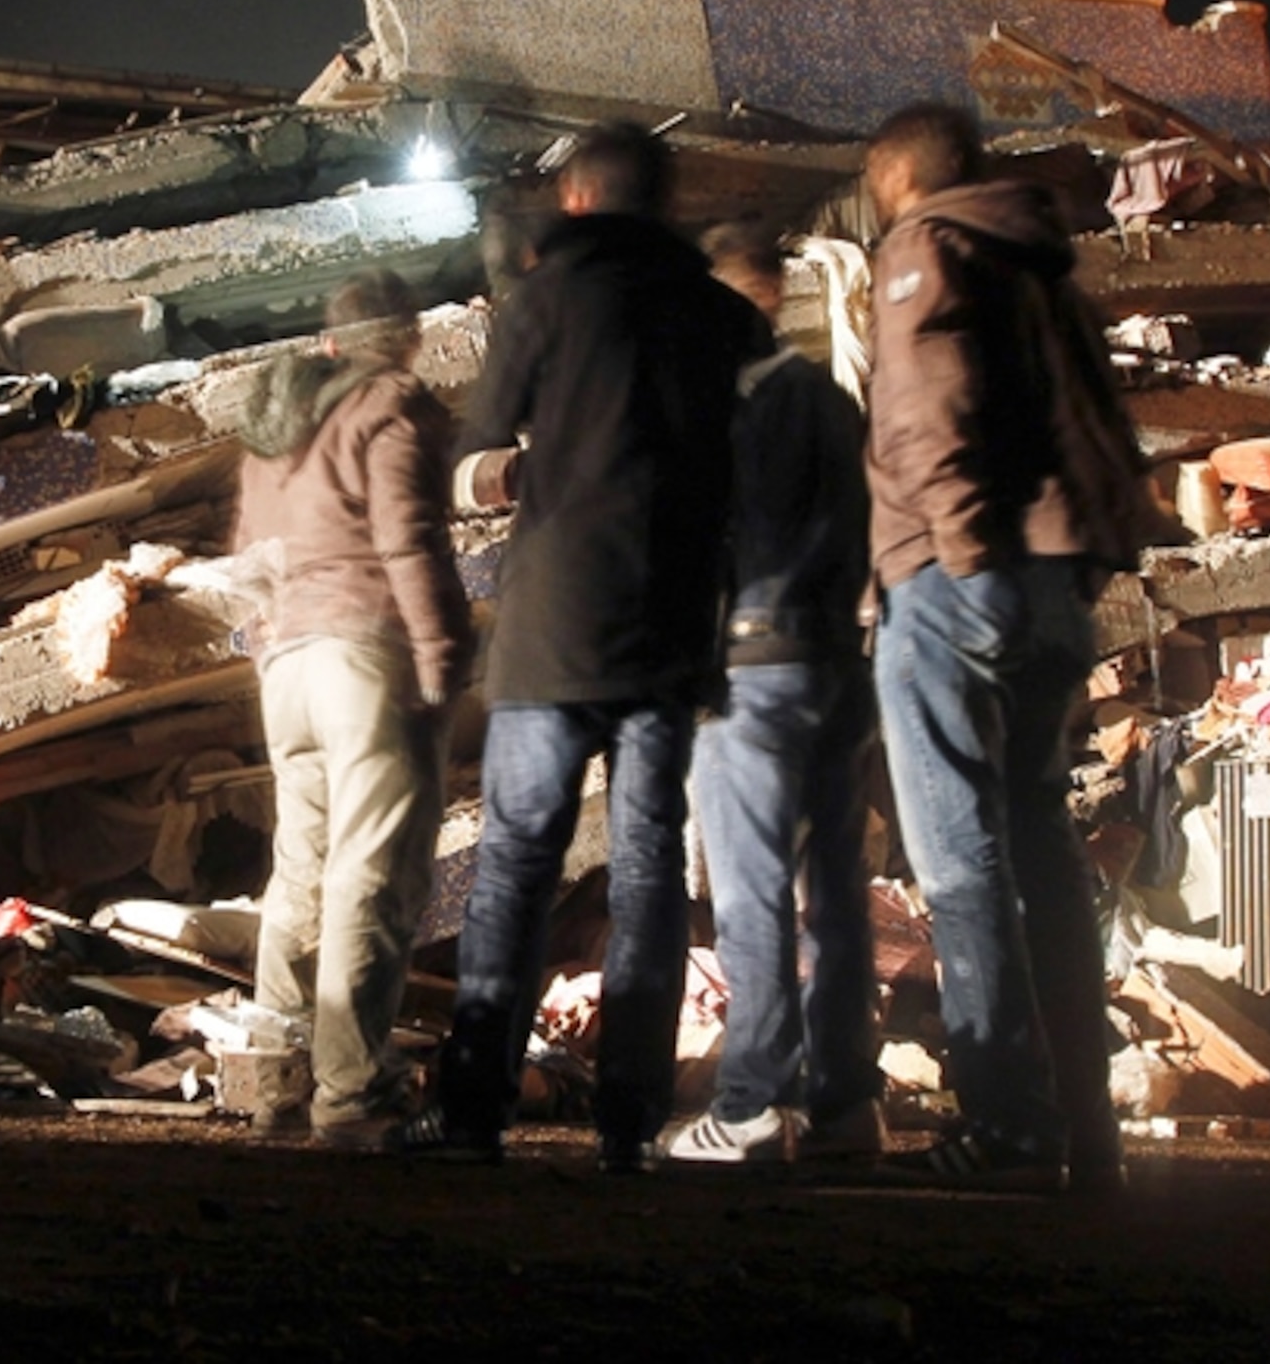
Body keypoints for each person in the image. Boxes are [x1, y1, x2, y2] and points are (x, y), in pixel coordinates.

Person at [412, 121, 767, 1169]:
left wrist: (518, 474)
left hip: (554, 629)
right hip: (669, 633)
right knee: (651, 873)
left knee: (519, 860)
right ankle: (629, 1122)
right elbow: (750, 476)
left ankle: (475, 1111)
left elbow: (475, 458)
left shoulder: (545, 301)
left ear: (576, 200)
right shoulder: (721, 317)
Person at [861, 102, 1154, 1191]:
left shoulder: (923, 248)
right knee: (1040, 846)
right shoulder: (1048, 269)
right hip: (1057, 588)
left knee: (960, 860)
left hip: (957, 586)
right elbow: (1104, 431)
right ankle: (1088, 1125)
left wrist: (964, 556)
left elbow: (930, 411)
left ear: (894, 182)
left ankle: (1008, 1120)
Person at [233, 269, 473, 1149]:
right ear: (407, 337)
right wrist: (440, 654)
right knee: (370, 872)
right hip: (365, 654)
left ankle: (277, 1085)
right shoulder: (391, 406)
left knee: (299, 871)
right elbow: (405, 536)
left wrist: (270, 644)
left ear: (329, 343)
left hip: (287, 663)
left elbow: (249, 563)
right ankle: (350, 1094)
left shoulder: (275, 429)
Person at [662, 223, 882, 1166]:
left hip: (749, 672)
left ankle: (753, 1100)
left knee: (750, 890)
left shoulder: (720, 405)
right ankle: (846, 1109)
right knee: (835, 891)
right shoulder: (831, 402)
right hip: (839, 667)